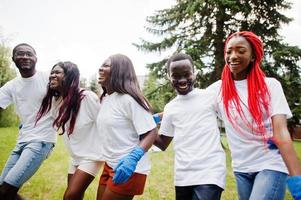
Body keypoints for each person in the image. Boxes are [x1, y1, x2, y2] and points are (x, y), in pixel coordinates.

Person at [207, 31, 301, 200]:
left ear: (252, 56)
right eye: (229, 51)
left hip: (270, 164)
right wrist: (153, 119)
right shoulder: (218, 90)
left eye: (241, 51)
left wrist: (297, 180)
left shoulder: (270, 86)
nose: (233, 56)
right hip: (241, 168)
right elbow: (187, 107)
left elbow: (281, 133)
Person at [153, 53, 226, 200]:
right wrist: (144, 126)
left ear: (194, 73)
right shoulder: (170, 108)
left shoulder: (210, 96)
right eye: (176, 75)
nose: (182, 80)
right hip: (183, 175)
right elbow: (162, 143)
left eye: (187, 74)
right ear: (169, 77)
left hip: (210, 172)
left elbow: (233, 117)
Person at [36, 61, 103, 200]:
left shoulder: (87, 97)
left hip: (93, 155)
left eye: (57, 72)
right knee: (75, 196)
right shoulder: (57, 100)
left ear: (70, 76)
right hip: (75, 156)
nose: (52, 76)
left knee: (70, 196)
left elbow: (105, 123)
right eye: (52, 72)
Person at [96, 54, 157, 200]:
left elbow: (151, 132)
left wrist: (133, 159)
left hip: (129, 168)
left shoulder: (129, 99)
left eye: (106, 65)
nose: (100, 68)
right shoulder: (106, 99)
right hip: (110, 164)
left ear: (119, 70)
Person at [0, 43, 56, 200]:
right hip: (21, 141)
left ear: (36, 58)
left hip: (41, 141)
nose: (25, 57)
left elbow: (70, 93)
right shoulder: (11, 86)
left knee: (6, 191)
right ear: (13, 59)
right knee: (2, 191)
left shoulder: (47, 78)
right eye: (20, 54)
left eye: (29, 54)